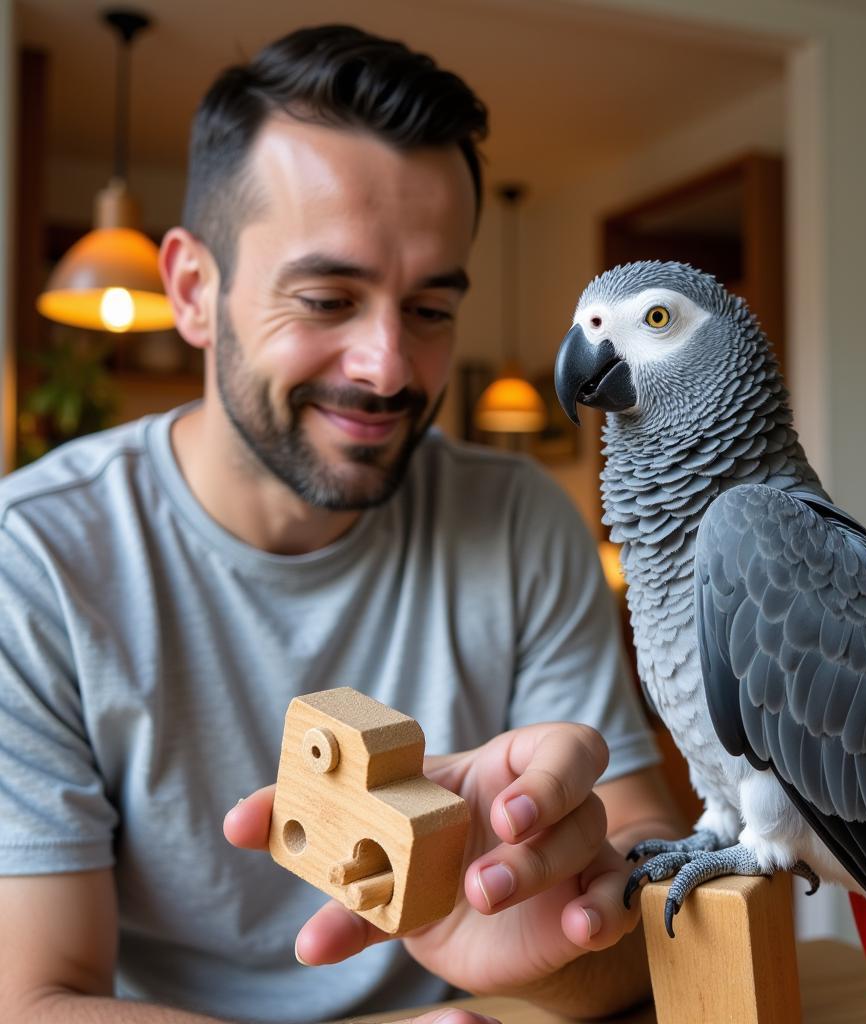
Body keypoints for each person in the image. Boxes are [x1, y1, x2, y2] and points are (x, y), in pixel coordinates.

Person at [0, 24, 681, 1024]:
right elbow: (38, 999)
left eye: (431, 309)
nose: (389, 366)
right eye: (327, 298)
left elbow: (651, 906)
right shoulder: (37, 556)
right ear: (194, 290)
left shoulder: (520, 519)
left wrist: (544, 950)